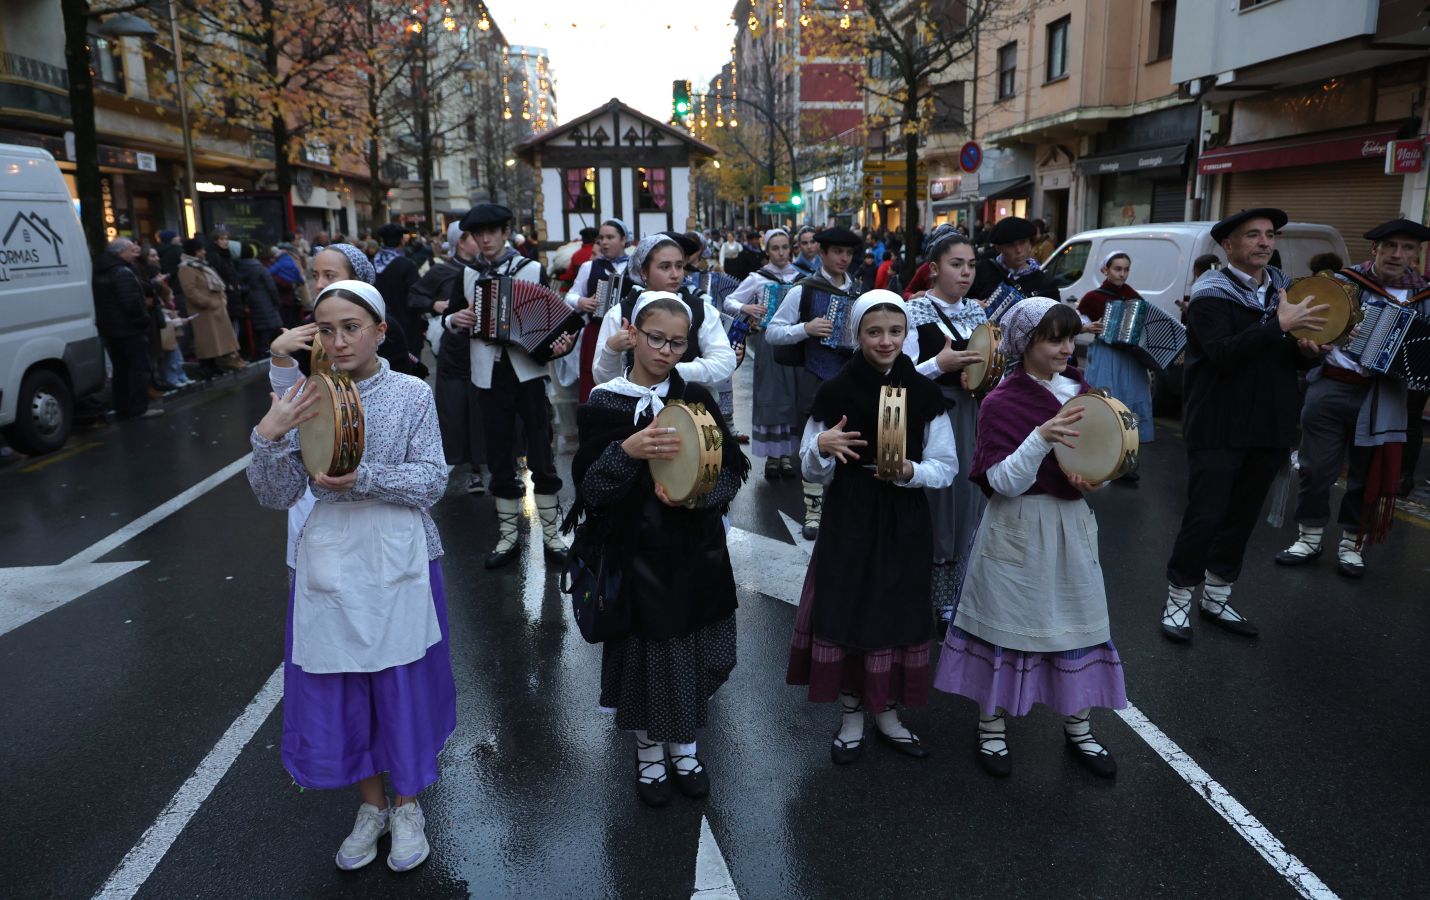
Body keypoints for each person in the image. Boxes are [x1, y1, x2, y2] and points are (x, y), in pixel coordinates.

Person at [246, 279, 454, 873]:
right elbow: (276, 493)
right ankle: (372, 807)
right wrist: (269, 435)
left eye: (351, 328)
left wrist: (360, 476)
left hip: (402, 556)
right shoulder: (306, 396)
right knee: (345, 689)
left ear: (380, 331)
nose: (338, 341)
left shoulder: (412, 393)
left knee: (401, 686)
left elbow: (430, 481)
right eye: (326, 329)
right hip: (330, 558)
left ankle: (408, 804)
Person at [933, 296, 1128, 779]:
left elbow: (1099, 459)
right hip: (1017, 524)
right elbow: (1001, 482)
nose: (1067, 347)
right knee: (1005, 623)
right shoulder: (1002, 401)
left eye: (1070, 337)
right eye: (1054, 339)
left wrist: (1098, 480)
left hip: (1071, 523)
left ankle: (1079, 725)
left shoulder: (1081, 391)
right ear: (1026, 343)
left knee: (1078, 622)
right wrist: (1040, 438)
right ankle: (990, 726)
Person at [568, 292, 749, 807]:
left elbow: (732, 468)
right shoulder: (606, 402)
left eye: (677, 342)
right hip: (635, 556)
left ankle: (687, 747)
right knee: (647, 657)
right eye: (656, 338)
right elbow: (591, 491)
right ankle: (650, 753)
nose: (666, 350)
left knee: (695, 654)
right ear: (633, 333)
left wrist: (698, 497)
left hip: (695, 552)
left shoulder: (695, 395)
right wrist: (627, 451)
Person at [785, 290, 955, 765]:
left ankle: (889, 713)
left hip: (903, 517)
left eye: (895, 331)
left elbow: (946, 466)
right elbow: (810, 470)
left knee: (898, 609)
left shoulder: (923, 394)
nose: (885, 341)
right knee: (848, 607)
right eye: (874, 332)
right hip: (851, 513)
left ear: (907, 334)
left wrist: (909, 472)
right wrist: (821, 444)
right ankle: (852, 714)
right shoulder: (835, 391)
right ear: (856, 334)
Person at [1160, 208, 1329, 643]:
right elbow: (1223, 354)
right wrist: (1279, 325)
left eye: (1269, 235)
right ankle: (1178, 598)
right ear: (1228, 246)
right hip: (1218, 423)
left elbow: (1285, 354)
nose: (1264, 242)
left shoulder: (1283, 291)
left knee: (1241, 517)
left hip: (1269, 424)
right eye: (1252, 235)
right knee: (1205, 514)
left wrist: (1308, 351)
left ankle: (1216, 596)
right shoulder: (1209, 293)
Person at [1275, 218, 1430, 576]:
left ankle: (1351, 543)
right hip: (1331, 385)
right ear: (1374, 249)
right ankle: (1309, 537)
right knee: (1316, 467)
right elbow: (1306, 330)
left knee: (1367, 472)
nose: (1397, 254)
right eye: (1390, 246)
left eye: (1407, 248)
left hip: (1384, 394)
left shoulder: (1423, 297)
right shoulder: (1342, 284)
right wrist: (1309, 347)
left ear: (1416, 255)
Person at [440, 203, 569, 568]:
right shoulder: (467, 275)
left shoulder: (529, 269)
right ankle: (508, 536)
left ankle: (552, 536)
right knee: (498, 453)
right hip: (487, 375)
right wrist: (455, 318)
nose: (485, 239)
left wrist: (552, 341)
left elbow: (546, 321)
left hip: (527, 372)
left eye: (491, 232)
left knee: (540, 451)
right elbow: (447, 317)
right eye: (477, 234)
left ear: (504, 232)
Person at [903, 232, 988, 630]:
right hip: (930, 416)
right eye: (957, 264)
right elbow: (898, 376)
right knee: (936, 500)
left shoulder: (978, 313)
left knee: (968, 498)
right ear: (934, 269)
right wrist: (939, 364)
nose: (966, 272)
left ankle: (958, 595)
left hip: (971, 413)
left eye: (971, 265)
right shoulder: (913, 313)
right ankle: (925, 595)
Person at [765, 226, 865, 539]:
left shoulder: (860, 291)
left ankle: (845, 505)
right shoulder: (803, 290)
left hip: (852, 377)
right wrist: (805, 328)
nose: (844, 258)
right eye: (837, 252)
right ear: (821, 253)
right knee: (815, 442)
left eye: (848, 253)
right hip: (816, 377)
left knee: (852, 441)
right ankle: (813, 509)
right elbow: (772, 332)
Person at [591, 232, 737, 392]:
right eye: (665, 267)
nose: (675, 274)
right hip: (632, 411)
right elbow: (603, 380)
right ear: (644, 272)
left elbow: (724, 363)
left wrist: (670, 371)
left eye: (679, 266)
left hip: (688, 410)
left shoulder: (701, 309)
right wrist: (611, 350)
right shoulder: (619, 313)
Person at [723, 228, 804, 478]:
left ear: (791, 249)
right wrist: (746, 306)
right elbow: (729, 302)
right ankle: (772, 455)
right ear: (767, 251)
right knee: (771, 396)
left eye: (784, 247)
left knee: (794, 396)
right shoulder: (758, 278)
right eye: (775, 248)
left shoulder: (802, 277)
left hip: (797, 342)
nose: (780, 252)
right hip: (769, 344)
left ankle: (788, 454)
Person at [415, 220, 486, 492]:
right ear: (460, 241)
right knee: (458, 410)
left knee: (484, 409)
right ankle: (470, 468)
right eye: (472, 235)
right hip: (455, 351)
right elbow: (414, 297)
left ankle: (490, 463)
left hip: (486, 348)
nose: (479, 240)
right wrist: (436, 305)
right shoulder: (442, 271)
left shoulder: (488, 269)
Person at [1076, 251, 1156, 467]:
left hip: (1131, 358)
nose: (1122, 274)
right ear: (1106, 270)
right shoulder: (1093, 297)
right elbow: (1079, 322)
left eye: (1126, 269)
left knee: (1131, 402)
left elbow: (1145, 326)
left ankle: (1127, 456)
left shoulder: (1133, 296)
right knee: (1106, 399)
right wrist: (1088, 326)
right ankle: (1098, 453)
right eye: (1117, 269)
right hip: (1105, 355)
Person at [92, 238, 160, 420]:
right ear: (120, 252)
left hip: (111, 329)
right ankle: (138, 408)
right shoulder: (122, 272)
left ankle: (122, 408)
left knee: (121, 370)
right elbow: (131, 303)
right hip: (129, 329)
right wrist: (143, 320)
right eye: (131, 250)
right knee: (137, 369)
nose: (135, 253)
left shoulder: (102, 270)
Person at [565, 218, 632, 402]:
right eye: (601, 238)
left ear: (623, 240)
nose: (604, 242)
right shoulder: (589, 267)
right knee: (592, 379)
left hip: (628, 333)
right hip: (596, 332)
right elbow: (570, 295)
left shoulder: (635, 267)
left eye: (610, 237)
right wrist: (581, 301)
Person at [176, 237, 244, 376]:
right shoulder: (187, 268)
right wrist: (207, 302)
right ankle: (206, 366)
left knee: (216, 340)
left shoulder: (201, 265)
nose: (204, 252)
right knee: (206, 341)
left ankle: (215, 364)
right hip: (204, 310)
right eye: (200, 250)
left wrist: (221, 299)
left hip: (215, 309)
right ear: (194, 251)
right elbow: (190, 290)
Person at [967, 216, 1059, 307]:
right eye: (1011, 245)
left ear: (1030, 243)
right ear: (998, 248)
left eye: (1023, 242)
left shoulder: (1045, 283)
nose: (1018, 250)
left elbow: (1056, 318)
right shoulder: (981, 271)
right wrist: (970, 306)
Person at [374, 223, 422, 350]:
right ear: (401, 241)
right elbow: (417, 296)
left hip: (379, 325)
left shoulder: (373, 262)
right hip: (407, 327)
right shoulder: (407, 265)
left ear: (382, 241)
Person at [236, 242, 283, 357]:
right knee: (269, 327)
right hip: (264, 300)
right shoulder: (259, 267)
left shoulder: (237, 267)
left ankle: (260, 351)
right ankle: (267, 352)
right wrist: (277, 301)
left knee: (258, 329)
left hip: (249, 301)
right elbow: (271, 287)